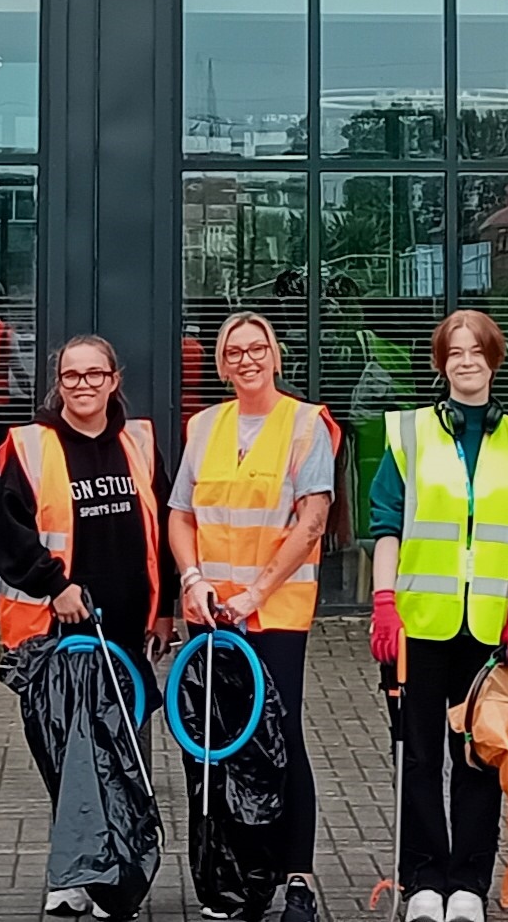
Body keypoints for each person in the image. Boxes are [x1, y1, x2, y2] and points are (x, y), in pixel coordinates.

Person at [0, 334, 179, 918]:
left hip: (127, 632)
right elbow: (8, 535)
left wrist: (167, 607)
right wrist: (56, 585)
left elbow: (166, 528)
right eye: (72, 377)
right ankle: (72, 877)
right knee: (72, 761)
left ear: (113, 379)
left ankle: (118, 878)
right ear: (58, 382)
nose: (83, 387)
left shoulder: (140, 443)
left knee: (127, 759)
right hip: (62, 634)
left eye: (94, 375)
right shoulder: (28, 446)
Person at [170, 311, 339, 922]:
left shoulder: (303, 425)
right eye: (233, 352)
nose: (246, 360)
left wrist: (256, 594)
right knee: (221, 744)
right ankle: (242, 878)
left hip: (274, 617)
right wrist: (191, 578)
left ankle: (297, 877)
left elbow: (312, 520)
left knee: (281, 739)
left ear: (275, 356)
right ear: (221, 364)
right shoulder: (204, 426)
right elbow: (181, 514)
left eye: (256, 349)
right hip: (211, 617)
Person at [367, 311, 508, 922]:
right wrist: (383, 604)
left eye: (476, 351)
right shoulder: (409, 434)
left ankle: (468, 882)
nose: (465, 362)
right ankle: (423, 882)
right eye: (453, 353)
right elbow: (385, 524)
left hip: (487, 625)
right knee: (417, 755)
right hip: (420, 621)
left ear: (494, 360)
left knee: (478, 754)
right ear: (440, 364)